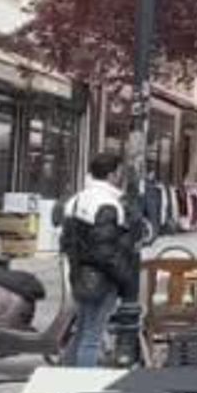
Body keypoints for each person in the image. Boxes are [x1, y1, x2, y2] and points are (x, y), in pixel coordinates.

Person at [60, 152, 138, 367]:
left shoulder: (77, 200)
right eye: (120, 172)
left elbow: (66, 241)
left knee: (83, 331)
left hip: (79, 275)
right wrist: (124, 276)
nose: (121, 176)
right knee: (92, 337)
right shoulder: (107, 204)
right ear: (113, 174)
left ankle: (65, 378)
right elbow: (105, 251)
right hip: (101, 279)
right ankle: (83, 389)